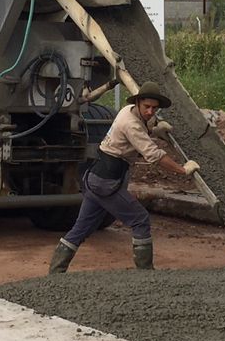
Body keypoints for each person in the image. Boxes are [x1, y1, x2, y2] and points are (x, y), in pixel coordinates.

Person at [48, 82, 199, 274]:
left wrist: (154, 130)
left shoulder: (128, 111)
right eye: (147, 107)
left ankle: (55, 271)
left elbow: (141, 130)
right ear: (138, 103)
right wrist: (182, 170)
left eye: (154, 108)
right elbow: (153, 155)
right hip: (106, 183)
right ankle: (146, 272)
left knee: (81, 228)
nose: (151, 112)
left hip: (95, 179)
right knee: (140, 219)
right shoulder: (131, 123)